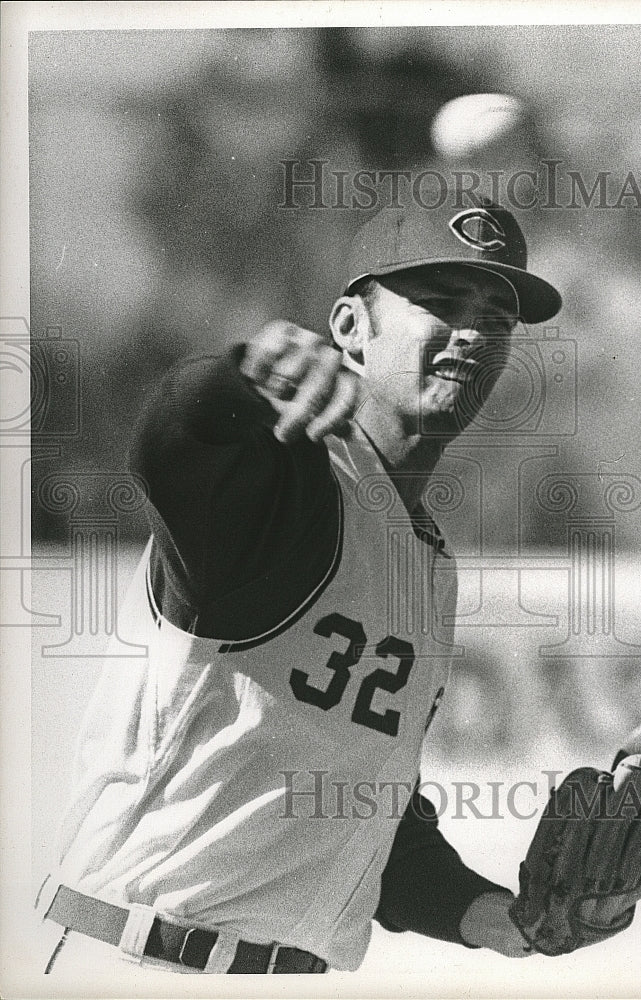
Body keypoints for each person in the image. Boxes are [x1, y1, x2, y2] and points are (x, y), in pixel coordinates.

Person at [36, 196, 564, 974]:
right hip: (141, 963)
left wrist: (502, 919)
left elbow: (378, 823)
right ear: (350, 327)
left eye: (496, 316)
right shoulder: (283, 476)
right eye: (442, 302)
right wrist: (246, 372)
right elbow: (172, 443)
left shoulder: (427, 563)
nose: (473, 333)